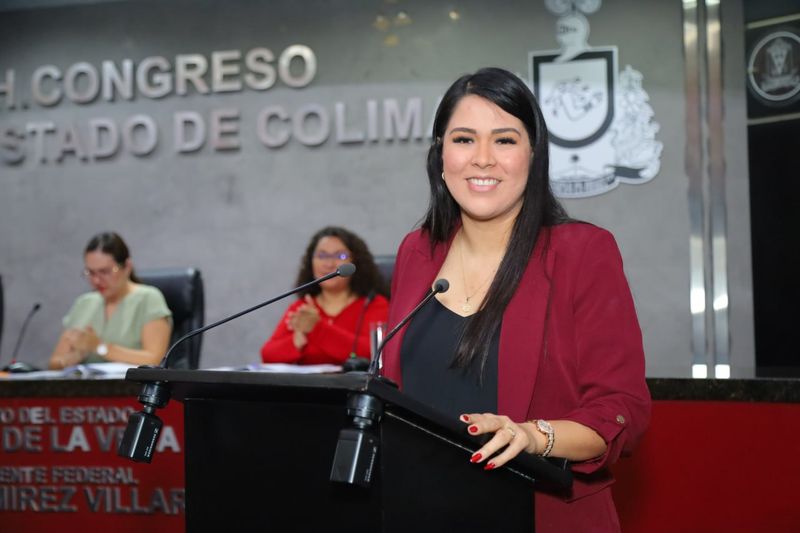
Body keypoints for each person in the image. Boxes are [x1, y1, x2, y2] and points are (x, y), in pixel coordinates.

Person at [381, 68, 650, 532]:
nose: (482, 159)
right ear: (440, 155)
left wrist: (533, 435)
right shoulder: (417, 252)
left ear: (533, 154)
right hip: (419, 509)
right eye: (464, 139)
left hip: (539, 514)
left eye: (504, 140)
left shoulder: (581, 253)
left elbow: (619, 408)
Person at [260, 226, 390, 365]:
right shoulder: (303, 308)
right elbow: (268, 355)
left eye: (340, 256)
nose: (329, 264)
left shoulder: (374, 304)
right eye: (322, 255)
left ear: (356, 263)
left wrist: (316, 328)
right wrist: (297, 339)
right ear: (311, 262)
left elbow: (374, 353)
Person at [48, 232, 172, 369]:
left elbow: (154, 360)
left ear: (127, 266)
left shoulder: (149, 298)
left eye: (105, 272)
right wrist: (72, 359)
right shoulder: (83, 303)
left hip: (129, 389)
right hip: (84, 388)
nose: (96, 280)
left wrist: (99, 347)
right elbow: (54, 364)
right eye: (91, 272)